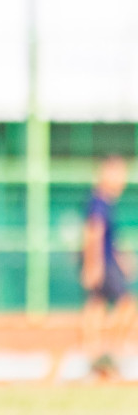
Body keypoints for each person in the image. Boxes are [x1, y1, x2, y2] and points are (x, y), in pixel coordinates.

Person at [80, 155, 136, 378]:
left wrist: (121, 257)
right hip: (103, 264)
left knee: (97, 305)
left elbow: (110, 238)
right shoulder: (99, 201)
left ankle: (95, 354)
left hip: (106, 262)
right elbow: (93, 233)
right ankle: (110, 353)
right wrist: (93, 264)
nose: (123, 180)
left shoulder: (106, 201)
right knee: (127, 307)